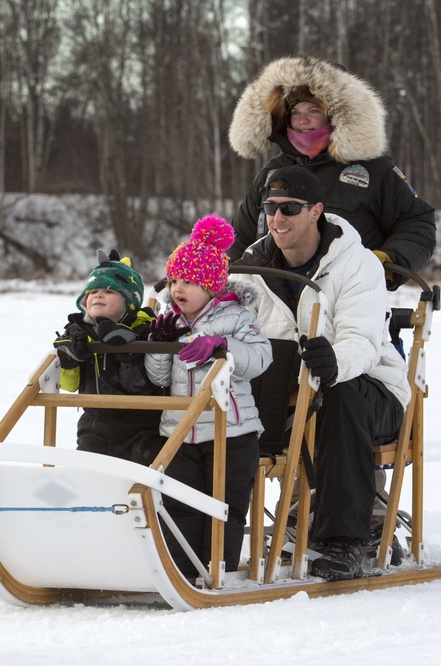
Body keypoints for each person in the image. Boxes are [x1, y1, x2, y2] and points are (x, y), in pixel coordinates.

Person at [233, 165, 411, 581]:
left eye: (290, 208)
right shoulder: (252, 264)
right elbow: (222, 314)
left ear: (316, 211)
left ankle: (346, 541)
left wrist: (334, 362)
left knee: (341, 395)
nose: (278, 218)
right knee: (217, 393)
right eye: (271, 208)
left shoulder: (357, 263)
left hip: (371, 392)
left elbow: (362, 340)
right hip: (288, 393)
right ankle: (198, 532)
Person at [226, 54, 436, 291]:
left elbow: (416, 223)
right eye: (296, 112)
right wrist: (224, 278)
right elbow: (240, 239)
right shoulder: (272, 172)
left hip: (349, 298)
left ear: (336, 115)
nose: (303, 120)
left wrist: (389, 259)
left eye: (313, 110)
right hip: (273, 302)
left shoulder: (374, 170)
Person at [142, 215, 272, 579]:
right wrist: (160, 345)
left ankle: (220, 568)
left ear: (212, 286)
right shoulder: (172, 320)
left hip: (231, 432)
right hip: (181, 430)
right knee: (181, 504)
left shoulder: (235, 317)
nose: (178, 289)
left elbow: (261, 358)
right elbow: (158, 378)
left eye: (189, 281)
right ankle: (183, 570)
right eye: (174, 280)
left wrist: (224, 346)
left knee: (223, 505)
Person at [52, 249, 162, 461]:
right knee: (89, 477)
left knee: (134, 482)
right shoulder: (78, 333)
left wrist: (126, 352)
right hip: (93, 422)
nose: (98, 295)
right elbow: (69, 386)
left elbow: (140, 387)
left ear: (129, 302)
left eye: (110, 291)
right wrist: (67, 360)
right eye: (93, 292)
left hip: (139, 424)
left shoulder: (142, 330)